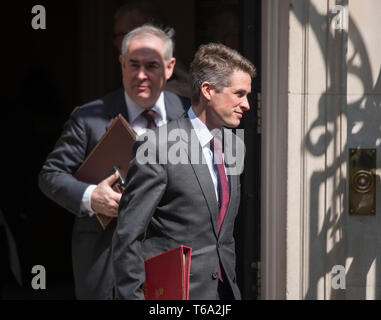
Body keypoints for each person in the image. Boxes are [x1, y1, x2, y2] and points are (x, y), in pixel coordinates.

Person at [38, 25, 189, 300]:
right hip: (108, 264)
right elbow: (50, 175)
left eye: (151, 66)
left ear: (169, 67)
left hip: (172, 261)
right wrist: (91, 197)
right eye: (133, 65)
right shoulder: (89, 118)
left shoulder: (190, 116)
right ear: (121, 64)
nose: (141, 75)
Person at [112, 43, 256, 299]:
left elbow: (224, 234)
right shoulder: (157, 146)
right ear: (208, 90)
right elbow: (128, 235)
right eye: (239, 93)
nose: (246, 104)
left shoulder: (234, 145)